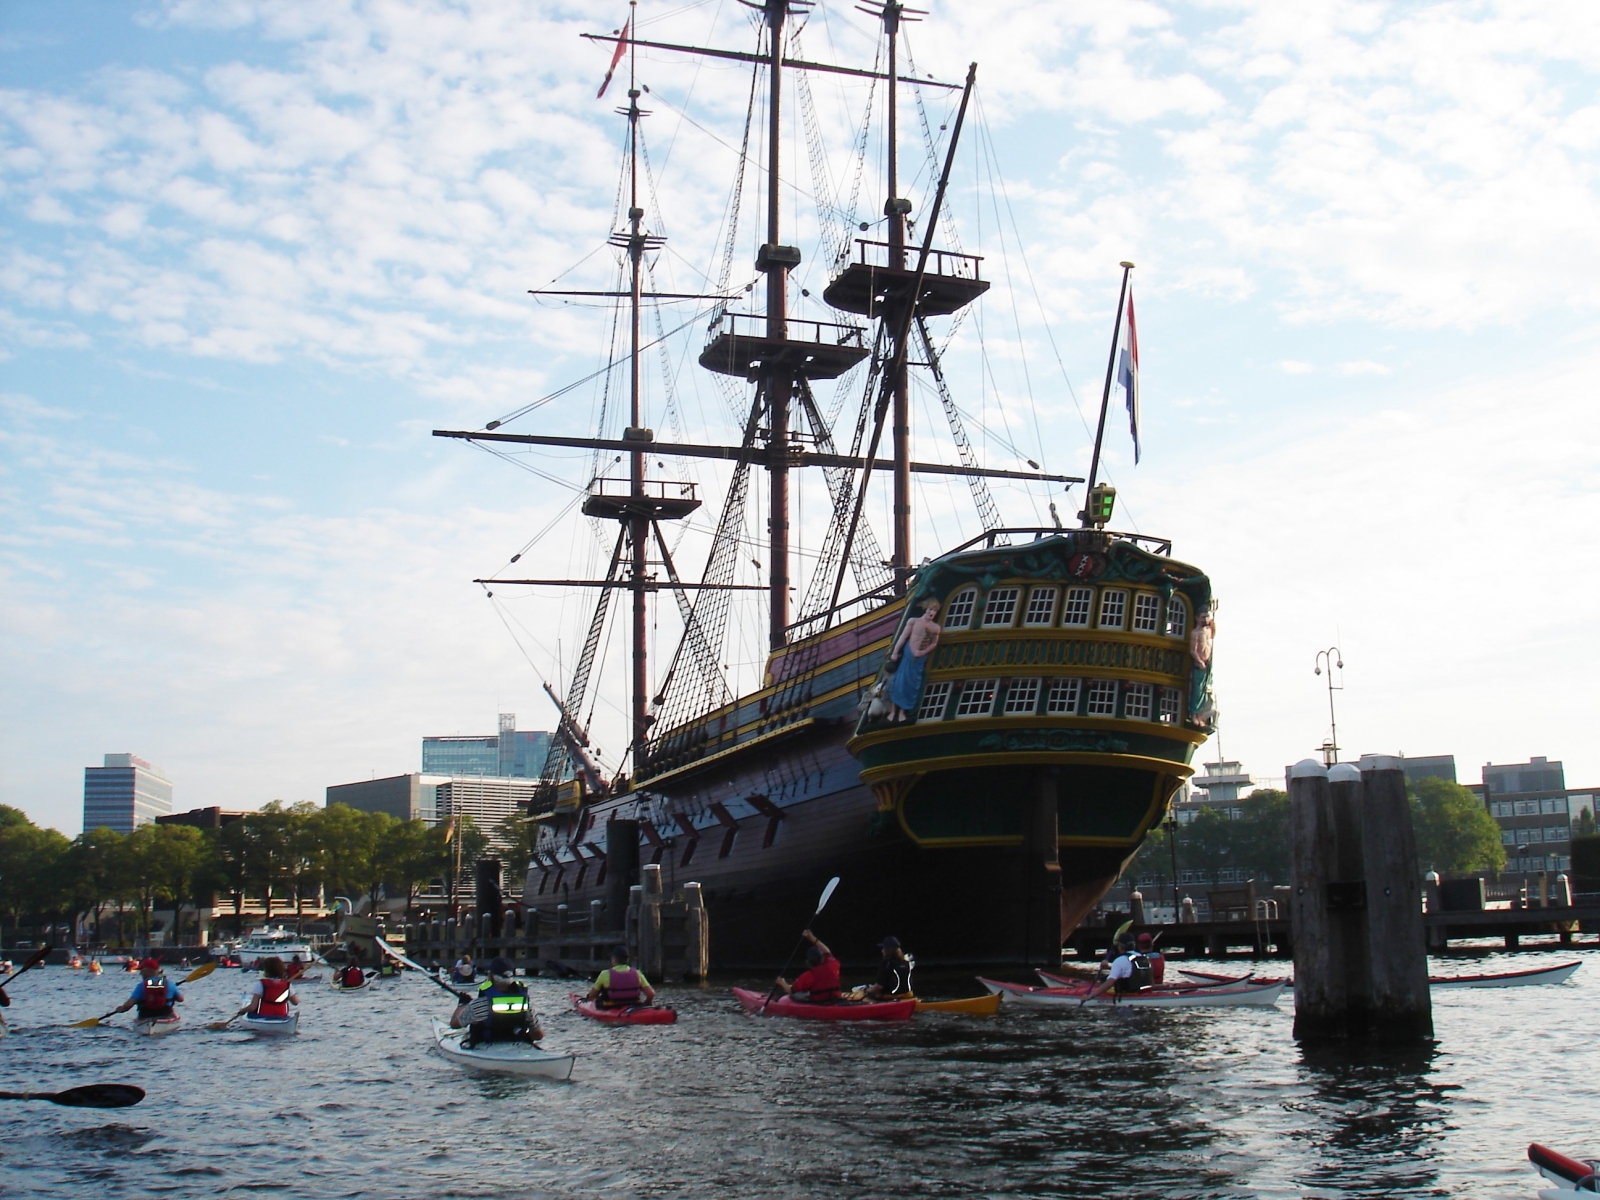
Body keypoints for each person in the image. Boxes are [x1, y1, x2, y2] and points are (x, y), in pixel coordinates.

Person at [450, 956, 541, 1048]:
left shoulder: (479, 1004)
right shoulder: (524, 1004)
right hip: (517, 1046)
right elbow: (538, 1035)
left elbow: (455, 1024)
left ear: (491, 977)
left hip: (485, 1047)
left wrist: (462, 1004)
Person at [885, 598, 942, 721]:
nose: (931, 612)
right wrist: (895, 652)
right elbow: (903, 637)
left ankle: (902, 712)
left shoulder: (935, 628)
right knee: (900, 682)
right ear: (926, 609)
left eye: (934, 611)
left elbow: (933, 643)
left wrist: (923, 652)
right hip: (908, 654)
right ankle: (893, 711)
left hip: (919, 658)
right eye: (930, 609)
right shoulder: (914, 621)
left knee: (911, 684)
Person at [225, 956, 299, 1024]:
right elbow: (296, 1002)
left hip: (264, 1016)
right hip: (282, 1016)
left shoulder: (261, 984)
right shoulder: (287, 985)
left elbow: (252, 1007)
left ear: (266, 971)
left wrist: (243, 1010)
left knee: (250, 1014)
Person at [775, 930, 840, 1003]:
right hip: (835, 999)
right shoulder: (833, 966)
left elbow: (792, 991)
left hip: (819, 1003)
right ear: (822, 959)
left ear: (808, 962)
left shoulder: (808, 975)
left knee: (796, 994)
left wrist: (782, 983)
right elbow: (827, 952)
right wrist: (811, 938)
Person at [112, 958, 184, 1023]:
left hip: (145, 1016)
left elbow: (127, 1006)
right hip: (165, 1015)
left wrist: (120, 1009)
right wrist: (171, 994)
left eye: (141, 970)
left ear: (147, 971)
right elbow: (181, 999)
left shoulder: (141, 986)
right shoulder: (169, 984)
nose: (140, 973)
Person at [1086, 934, 1153, 1000]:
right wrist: (1109, 967)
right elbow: (1128, 970)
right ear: (1134, 945)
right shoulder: (1143, 957)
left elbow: (1109, 983)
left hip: (1129, 995)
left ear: (1120, 947)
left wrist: (1090, 996)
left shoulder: (1120, 960)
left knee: (1104, 982)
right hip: (1147, 992)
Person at [587, 946, 656, 1009]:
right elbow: (651, 994)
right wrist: (646, 1004)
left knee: (599, 1000)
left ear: (614, 959)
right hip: (634, 1006)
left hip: (611, 1007)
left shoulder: (604, 974)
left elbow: (592, 995)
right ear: (627, 960)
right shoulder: (638, 973)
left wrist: (587, 999)